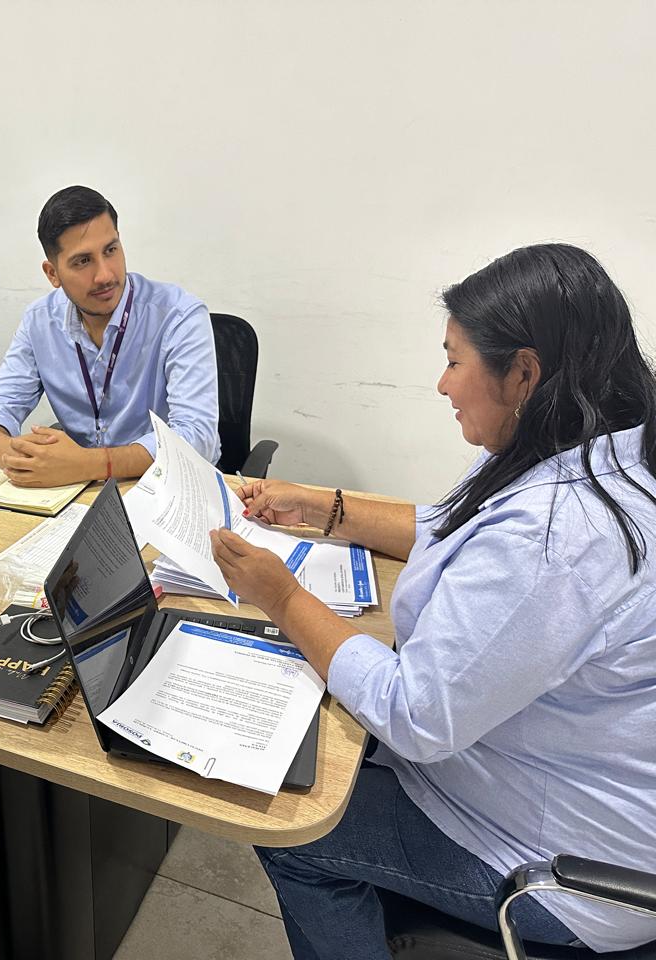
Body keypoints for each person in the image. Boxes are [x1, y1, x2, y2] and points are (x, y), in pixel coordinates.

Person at [208, 244, 656, 955]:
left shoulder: (556, 540)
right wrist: (321, 506)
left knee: (293, 825)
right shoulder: (579, 443)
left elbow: (414, 715)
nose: (442, 384)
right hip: (545, 772)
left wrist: (282, 595)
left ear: (524, 373)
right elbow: (450, 525)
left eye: (454, 361)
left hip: (561, 858)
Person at [0, 185, 219, 488]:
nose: (105, 275)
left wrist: (87, 464)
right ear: (52, 273)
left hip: (171, 487)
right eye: (83, 261)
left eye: (110, 250)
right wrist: (11, 455)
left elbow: (197, 438)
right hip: (79, 489)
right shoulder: (40, 321)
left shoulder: (179, 316)